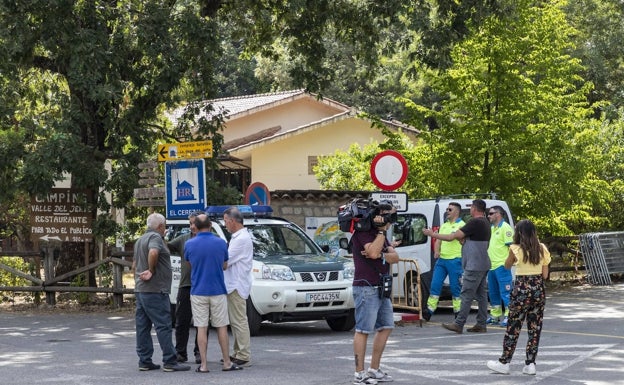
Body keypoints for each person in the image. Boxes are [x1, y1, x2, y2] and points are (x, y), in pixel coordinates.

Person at [487, 219, 551, 375]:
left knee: (513, 326)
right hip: (538, 289)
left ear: (520, 233)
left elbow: (507, 266)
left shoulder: (515, 248)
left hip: (521, 288)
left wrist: (513, 256)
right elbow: (545, 274)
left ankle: (504, 362)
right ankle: (530, 364)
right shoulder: (542, 248)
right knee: (534, 328)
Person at [184, 213, 243, 373]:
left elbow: (190, 263)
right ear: (210, 226)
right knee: (221, 327)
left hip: (198, 291)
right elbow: (225, 265)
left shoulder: (189, 244)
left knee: (201, 328)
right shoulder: (221, 243)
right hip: (217, 290)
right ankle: (226, 362)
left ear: (195, 227)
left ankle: (203, 365)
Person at [133, 212, 190, 372]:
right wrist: (151, 270)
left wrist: (138, 278)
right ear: (160, 226)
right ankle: (170, 361)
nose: (165, 230)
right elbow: (153, 252)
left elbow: (135, 263)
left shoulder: (139, 240)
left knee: (143, 326)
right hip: (155, 289)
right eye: (164, 226)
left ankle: (144, 360)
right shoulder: (155, 238)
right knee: (163, 325)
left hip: (141, 289)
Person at [423, 199, 491, 334]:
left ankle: (459, 323)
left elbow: (453, 237)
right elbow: (465, 240)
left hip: (473, 264)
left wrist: (433, 234)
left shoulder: (474, 222)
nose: (470, 209)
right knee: (481, 295)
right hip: (483, 262)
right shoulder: (485, 223)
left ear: (475, 209)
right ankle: (481, 323)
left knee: (465, 293)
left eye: (471, 207)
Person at [351, 200, 399, 384]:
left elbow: (395, 257)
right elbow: (371, 253)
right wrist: (380, 234)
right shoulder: (363, 233)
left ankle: (374, 369)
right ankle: (359, 373)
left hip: (380, 287)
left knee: (386, 327)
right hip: (365, 287)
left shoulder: (382, 235)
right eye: (389, 216)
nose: (390, 221)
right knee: (363, 330)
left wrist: (381, 254)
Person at [167, 211, 206, 364]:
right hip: (185, 285)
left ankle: (199, 352)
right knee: (181, 321)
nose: (192, 226)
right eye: (189, 223)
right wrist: (160, 236)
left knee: (201, 322)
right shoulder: (183, 239)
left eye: (194, 223)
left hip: (203, 285)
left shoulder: (212, 239)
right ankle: (180, 352)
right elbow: (167, 247)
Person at [223, 207, 254, 367]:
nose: (225, 224)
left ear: (233, 221)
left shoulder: (241, 239)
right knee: (235, 321)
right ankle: (237, 352)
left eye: (226, 221)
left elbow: (225, 262)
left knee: (239, 320)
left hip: (236, 284)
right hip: (234, 283)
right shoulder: (238, 236)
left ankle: (243, 354)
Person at [424, 202, 465, 320]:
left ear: (457, 212)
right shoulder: (445, 225)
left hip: (455, 260)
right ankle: (430, 310)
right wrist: (437, 251)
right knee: (435, 284)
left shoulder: (462, 225)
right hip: (442, 260)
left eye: (450, 209)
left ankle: (458, 312)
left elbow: (449, 238)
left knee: (455, 287)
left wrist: (432, 234)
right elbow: (438, 240)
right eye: (447, 209)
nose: (447, 211)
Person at [486, 206, 514, 327]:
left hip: (502, 266)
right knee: (493, 293)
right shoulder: (492, 228)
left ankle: (510, 316)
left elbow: (512, 247)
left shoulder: (505, 228)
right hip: (491, 266)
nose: (489, 215)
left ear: (498, 214)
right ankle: (495, 315)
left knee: (506, 292)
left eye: (491, 213)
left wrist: (508, 263)